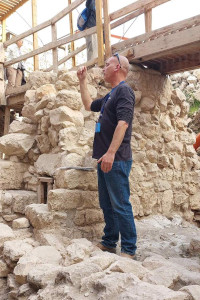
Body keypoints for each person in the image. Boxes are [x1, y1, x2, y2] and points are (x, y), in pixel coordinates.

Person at [77, 53, 137, 259]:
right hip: (105, 158)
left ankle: (129, 249)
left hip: (116, 159)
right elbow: (87, 105)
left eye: (107, 64)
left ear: (118, 67)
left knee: (120, 204)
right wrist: (82, 81)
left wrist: (111, 153)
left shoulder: (124, 92)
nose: (103, 68)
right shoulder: (110, 95)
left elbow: (123, 123)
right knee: (106, 203)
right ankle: (109, 242)